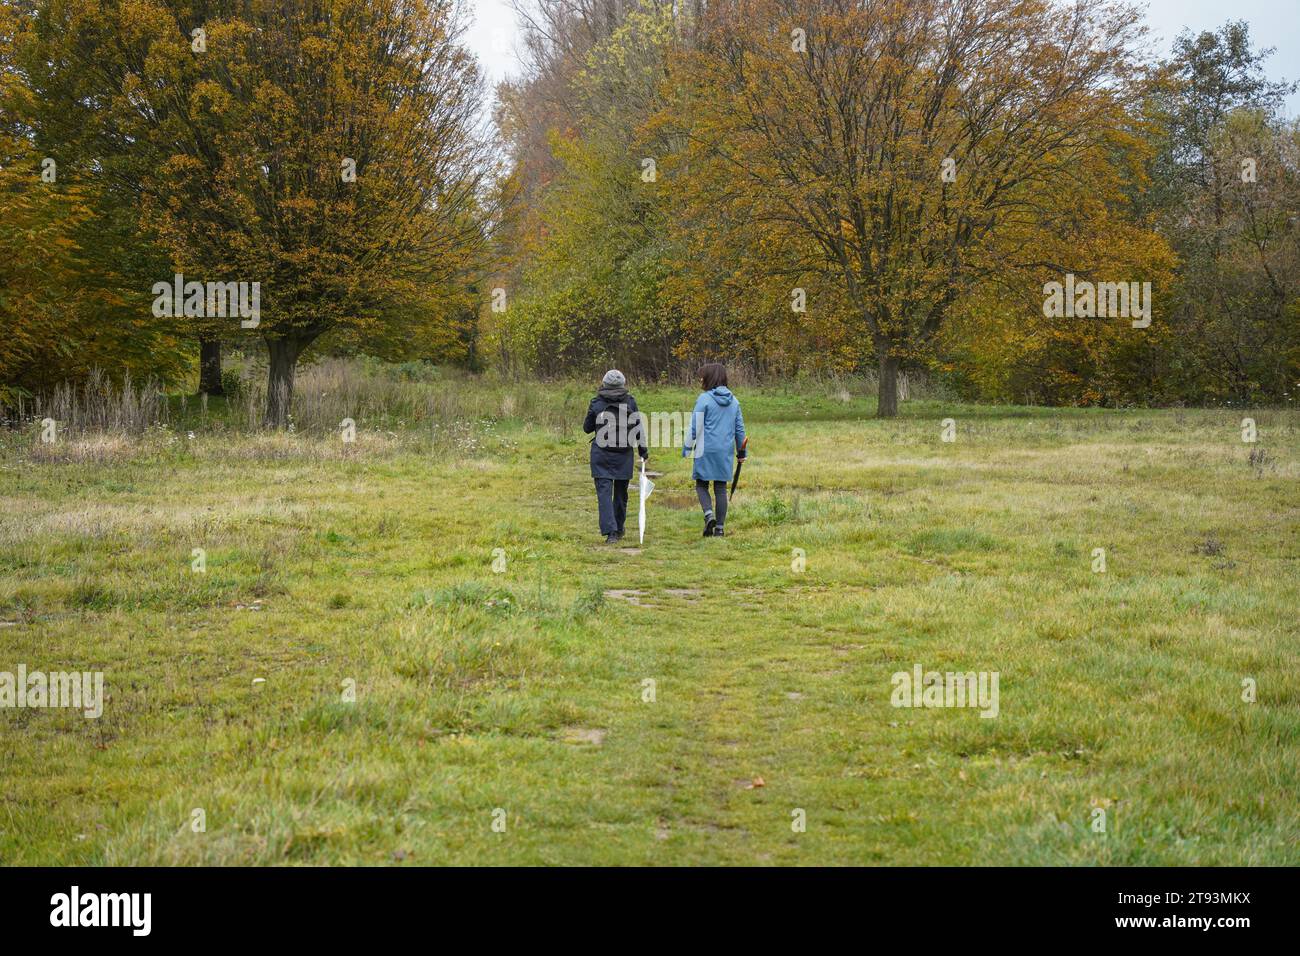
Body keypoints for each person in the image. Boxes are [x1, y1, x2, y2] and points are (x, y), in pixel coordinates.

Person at [584, 369, 648, 543]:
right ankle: (618, 529)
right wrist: (643, 451)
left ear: (604, 384)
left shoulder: (596, 403)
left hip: (601, 455)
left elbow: (587, 428)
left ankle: (610, 532)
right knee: (621, 493)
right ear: (622, 384)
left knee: (604, 494)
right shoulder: (630, 402)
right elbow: (638, 429)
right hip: (624, 455)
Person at [682, 362, 746, 537]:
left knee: (701, 484)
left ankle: (708, 514)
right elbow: (740, 429)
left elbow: (695, 425)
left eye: (702, 376)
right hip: (724, 451)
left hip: (705, 448)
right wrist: (742, 452)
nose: (700, 379)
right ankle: (719, 528)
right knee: (720, 488)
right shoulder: (734, 401)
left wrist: (687, 447)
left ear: (709, 378)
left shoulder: (704, 399)